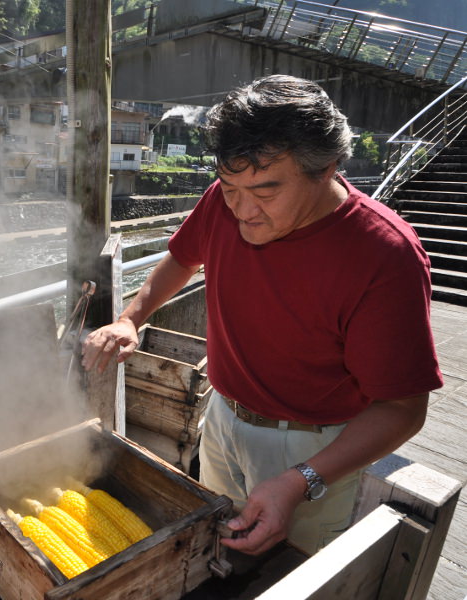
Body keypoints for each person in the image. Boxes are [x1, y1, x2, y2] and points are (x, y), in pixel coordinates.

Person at [82, 74, 443, 556]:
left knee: (291, 573)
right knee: (215, 553)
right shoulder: (221, 203)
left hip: (313, 448)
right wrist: (132, 317)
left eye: (266, 193)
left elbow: (402, 408)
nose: (243, 210)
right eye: (230, 187)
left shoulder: (385, 256)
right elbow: (183, 259)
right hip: (222, 414)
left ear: (328, 168)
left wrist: (302, 480)